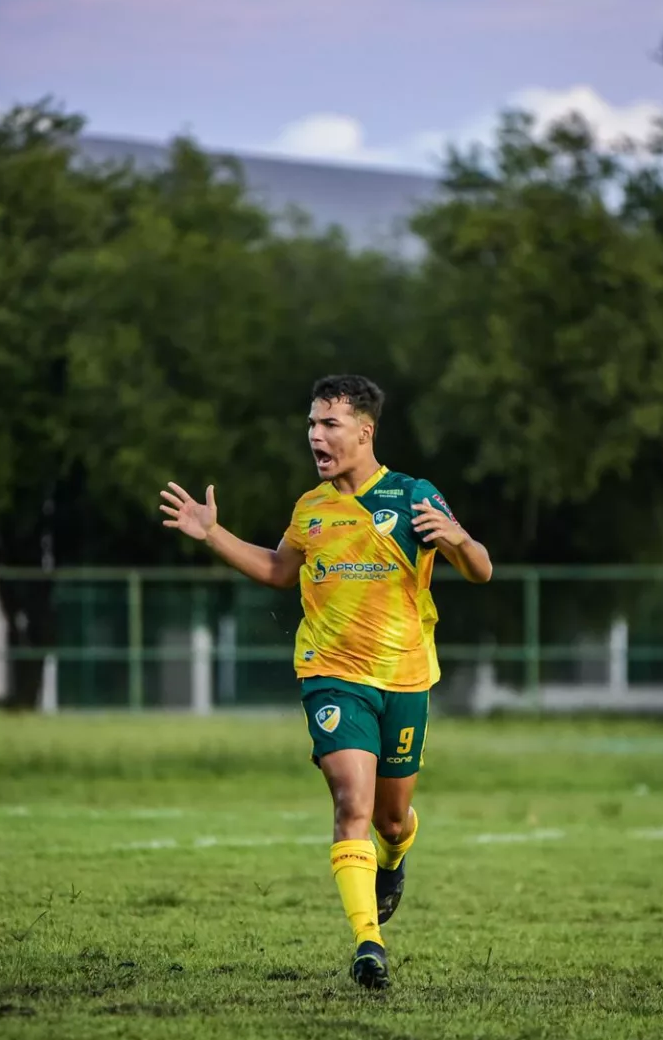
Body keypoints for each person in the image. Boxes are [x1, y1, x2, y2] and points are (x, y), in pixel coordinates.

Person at [159, 374, 492, 990]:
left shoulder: (414, 495)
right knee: (350, 803)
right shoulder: (310, 509)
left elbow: (481, 569)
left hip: (406, 677)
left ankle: (394, 859)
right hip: (331, 676)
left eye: (329, 424)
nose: (315, 435)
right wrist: (212, 534)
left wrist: (459, 540)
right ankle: (369, 943)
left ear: (364, 432)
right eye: (312, 423)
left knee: (392, 822)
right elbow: (279, 570)